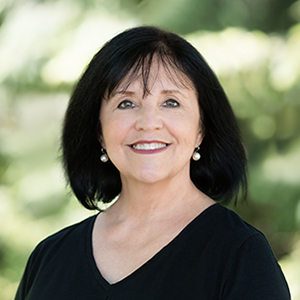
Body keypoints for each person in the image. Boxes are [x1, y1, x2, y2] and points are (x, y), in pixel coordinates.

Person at [15, 26, 290, 299]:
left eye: (170, 102)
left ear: (201, 129)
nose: (148, 124)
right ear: (99, 130)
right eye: (126, 103)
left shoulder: (241, 255)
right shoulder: (49, 258)